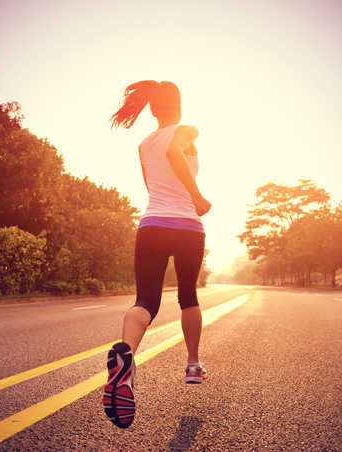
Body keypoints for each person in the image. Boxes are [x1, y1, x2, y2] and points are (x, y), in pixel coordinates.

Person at [102, 80, 212, 429]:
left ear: (152, 109)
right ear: (179, 104)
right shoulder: (187, 129)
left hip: (151, 224)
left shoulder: (143, 143)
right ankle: (193, 365)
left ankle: (126, 355)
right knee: (187, 295)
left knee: (146, 300)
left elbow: (151, 185)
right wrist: (196, 196)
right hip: (187, 226)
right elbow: (173, 153)